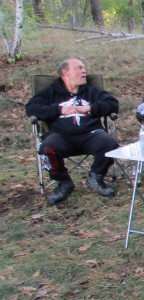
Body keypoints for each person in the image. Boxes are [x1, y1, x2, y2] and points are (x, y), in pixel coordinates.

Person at [26, 58, 119, 206]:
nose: (84, 71)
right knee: (47, 148)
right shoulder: (51, 92)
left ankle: (96, 177)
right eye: (79, 68)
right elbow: (31, 108)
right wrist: (59, 110)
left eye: (84, 68)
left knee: (110, 144)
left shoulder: (91, 91)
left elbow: (113, 104)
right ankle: (64, 182)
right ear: (65, 72)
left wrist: (90, 108)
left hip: (91, 133)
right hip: (61, 136)